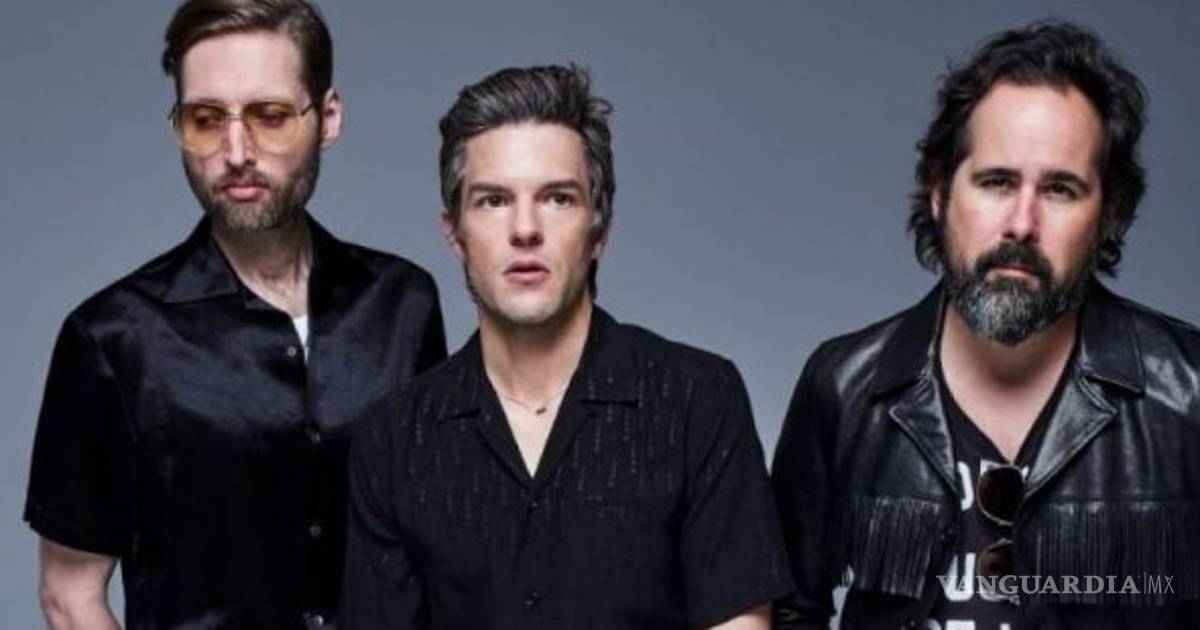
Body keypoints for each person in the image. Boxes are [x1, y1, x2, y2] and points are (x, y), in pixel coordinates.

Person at [24, 1, 446, 627]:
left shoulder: (404, 304)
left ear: (328, 117)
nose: (237, 151)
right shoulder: (111, 337)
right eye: (206, 120)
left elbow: (436, 544)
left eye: (270, 117)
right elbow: (69, 595)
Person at [772, 20, 1200, 629]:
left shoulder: (1187, 393)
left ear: (1110, 214)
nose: (1021, 224)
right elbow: (788, 612)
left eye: (1060, 189)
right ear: (940, 193)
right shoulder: (846, 388)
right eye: (997, 182)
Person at [341, 64, 793, 629]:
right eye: (493, 200)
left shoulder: (697, 401)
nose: (525, 229)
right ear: (454, 232)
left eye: (557, 198)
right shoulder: (393, 439)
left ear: (599, 230)